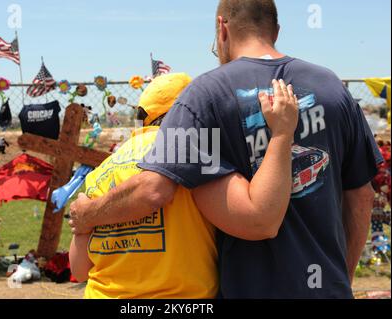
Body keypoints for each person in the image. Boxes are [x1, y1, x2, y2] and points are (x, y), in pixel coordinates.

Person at [70, 0, 382, 298]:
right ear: (276, 30)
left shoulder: (203, 96)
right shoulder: (332, 87)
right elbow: (361, 199)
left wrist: (88, 214)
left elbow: (153, 188)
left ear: (222, 28)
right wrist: (341, 278)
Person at [69, 72, 299, 298]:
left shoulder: (103, 169)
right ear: (190, 111)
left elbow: (79, 270)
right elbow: (254, 216)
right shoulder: (197, 149)